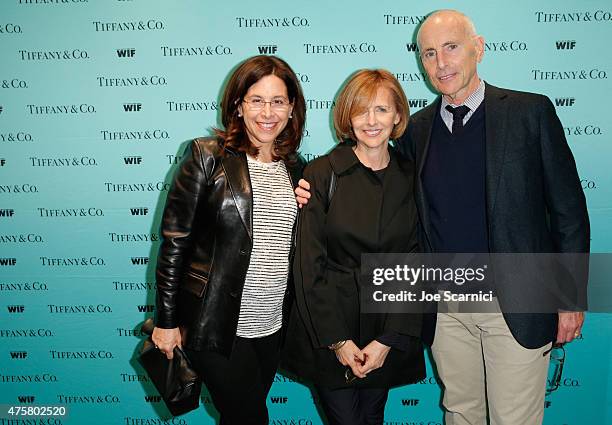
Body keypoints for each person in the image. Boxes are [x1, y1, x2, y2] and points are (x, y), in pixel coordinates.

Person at [296, 10, 589, 425]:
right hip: (447, 308)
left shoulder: (529, 112)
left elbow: (569, 212)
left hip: (518, 303)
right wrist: (301, 184)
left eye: (451, 47)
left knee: (514, 419)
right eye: (429, 53)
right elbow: (372, 188)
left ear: (478, 48)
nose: (441, 63)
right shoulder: (417, 130)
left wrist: (569, 297)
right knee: (460, 413)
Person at [152, 55, 306, 424]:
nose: (267, 112)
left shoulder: (297, 167)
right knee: (250, 416)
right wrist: (166, 320)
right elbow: (175, 243)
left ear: (291, 109)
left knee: (240, 417)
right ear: (238, 105)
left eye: (278, 101)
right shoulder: (206, 156)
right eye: (256, 100)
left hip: (271, 326)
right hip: (215, 325)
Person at [283, 69, 425, 425]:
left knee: (373, 416)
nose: (371, 121)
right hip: (331, 324)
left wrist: (388, 339)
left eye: (381, 110)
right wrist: (339, 342)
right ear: (347, 118)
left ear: (397, 116)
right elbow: (308, 267)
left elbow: (415, 261)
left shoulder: (411, 175)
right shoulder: (321, 173)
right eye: (361, 111)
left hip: (384, 323)